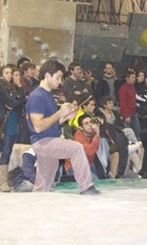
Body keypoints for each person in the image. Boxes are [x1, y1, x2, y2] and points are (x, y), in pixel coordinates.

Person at [26, 60, 99, 195]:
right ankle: (86, 186)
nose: (60, 82)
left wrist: (64, 117)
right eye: (58, 77)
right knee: (76, 148)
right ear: (47, 75)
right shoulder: (38, 96)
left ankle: (36, 202)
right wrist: (60, 113)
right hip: (43, 141)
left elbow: (49, 122)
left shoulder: (46, 95)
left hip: (46, 140)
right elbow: (38, 126)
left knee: (43, 184)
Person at [0, 65, 26, 192]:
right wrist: (17, 101)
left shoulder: (11, 87)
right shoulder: (1, 87)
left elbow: (19, 101)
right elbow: (13, 103)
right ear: (1, 74)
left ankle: (5, 178)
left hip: (13, 119)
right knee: (6, 149)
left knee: (9, 148)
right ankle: (3, 181)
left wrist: (19, 89)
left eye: (11, 73)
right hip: (6, 121)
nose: (10, 75)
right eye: (7, 73)